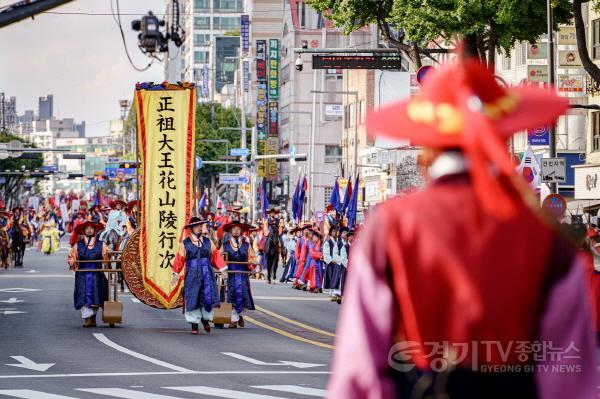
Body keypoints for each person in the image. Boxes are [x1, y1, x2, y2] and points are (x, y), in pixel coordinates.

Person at [327, 54, 596, 398]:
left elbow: (360, 371)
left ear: (427, 150)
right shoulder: (544, 234)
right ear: (503, 138)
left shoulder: (390, 227)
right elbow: (568, 379)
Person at [172, 217, 221, 334]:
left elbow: (216, 256)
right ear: (191, 228)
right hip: (192, 274)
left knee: (206, 297)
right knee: (193, 297)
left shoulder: (208, 242)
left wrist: (222, 269)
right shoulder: (185, 243)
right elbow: (179, 259)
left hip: (207, 273)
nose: (200, 228)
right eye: (197, 226)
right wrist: (175, 274)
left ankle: (205, 321)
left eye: (201, 226)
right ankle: (194, 325)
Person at [67, 221, 109, 327]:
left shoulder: (101, 244)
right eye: (87, 229)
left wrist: (109, 257)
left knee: (97, 295)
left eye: (91, 228)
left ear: (94, 231)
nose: (89, 230)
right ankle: (87, 318)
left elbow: (106, 257)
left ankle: (93, 317)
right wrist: (72, 262)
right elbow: (72, 256)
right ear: (83, 231)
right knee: (83, 295)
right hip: (82, 274)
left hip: (97, 273)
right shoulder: (78, 245)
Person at [221, 220, 255, 327]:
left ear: (241, 231)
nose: (236, 231)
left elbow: (252, 258)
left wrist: (252, 263)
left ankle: (240, 316)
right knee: (231, 294)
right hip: (230, 273)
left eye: (238, 229)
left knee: (243, 294)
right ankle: (233, 319)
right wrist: (222, 270)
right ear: (230, 231)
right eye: (234, 229)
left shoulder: (246, 245)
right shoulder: (225, 245)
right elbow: (219, 258)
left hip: (242, 274)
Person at [322, 225, 340, 297]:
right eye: (333, 231)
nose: (335, 233)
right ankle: (331, 290)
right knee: (331, 276)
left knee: (337, 276)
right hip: (331, 262)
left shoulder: (339, 241)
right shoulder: (328, 242)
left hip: (338, 262)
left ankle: (336, 290)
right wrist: (331, 260)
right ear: (330, 232)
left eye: (336, 231)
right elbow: (326, 253)